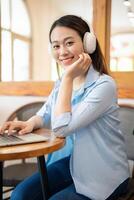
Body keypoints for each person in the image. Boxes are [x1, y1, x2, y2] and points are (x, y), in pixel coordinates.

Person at [0, 15, 130, 200]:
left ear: (88, 44)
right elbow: (45, 113)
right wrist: (29, 122)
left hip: (102, 172)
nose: (62, 51)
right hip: (69, 163)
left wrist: (68, 78)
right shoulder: (61, 83)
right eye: (56, 45)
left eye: (69, 43)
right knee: (20, 195)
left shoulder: (104, 85)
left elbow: (61, 128)